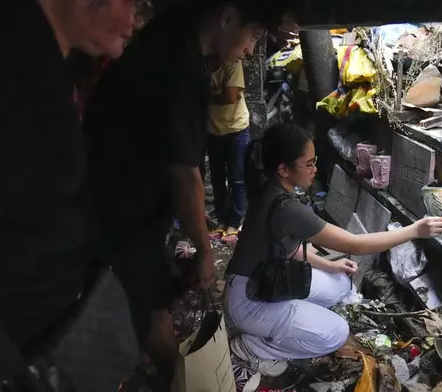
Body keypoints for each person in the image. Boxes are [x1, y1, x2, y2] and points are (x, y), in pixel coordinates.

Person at [83, 0, 291, 385]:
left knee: (148, 290)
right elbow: (185, 174)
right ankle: (176, 378)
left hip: (121, 197)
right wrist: (205, 248)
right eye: (254, 36)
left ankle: (171, 371)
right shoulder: (179, 62)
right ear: (228, 17)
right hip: (119, 204)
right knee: (144, 295)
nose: (250, 49)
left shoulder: (168, 41)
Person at [225, 124, 442, 376]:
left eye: (315, 160)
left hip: (265, 281)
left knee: (340, 283)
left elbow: (289, 247)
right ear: (283, 169)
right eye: (308, 164)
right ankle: (253, 348)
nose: (315, 168)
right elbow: (355, 244)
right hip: (248, 301)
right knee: (336, 333)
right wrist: (415, 230)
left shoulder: (271, 189)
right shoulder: (285, 207)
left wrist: (330, 265)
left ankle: (286, 321)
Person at [0, 0, 134, 382]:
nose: (135, 18)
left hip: (55, 335)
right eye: (134, 1)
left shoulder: (42, 56)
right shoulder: (10, 67)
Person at [207, 59, 251, 243]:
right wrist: (220, 94)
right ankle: (221, 221)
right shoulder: (203, 64)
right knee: (217, 178)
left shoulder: (232, 63)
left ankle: (234, 222)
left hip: (236, 129)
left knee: (237, 179)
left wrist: (206, 96)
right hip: (212, 130)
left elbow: (231, 96)